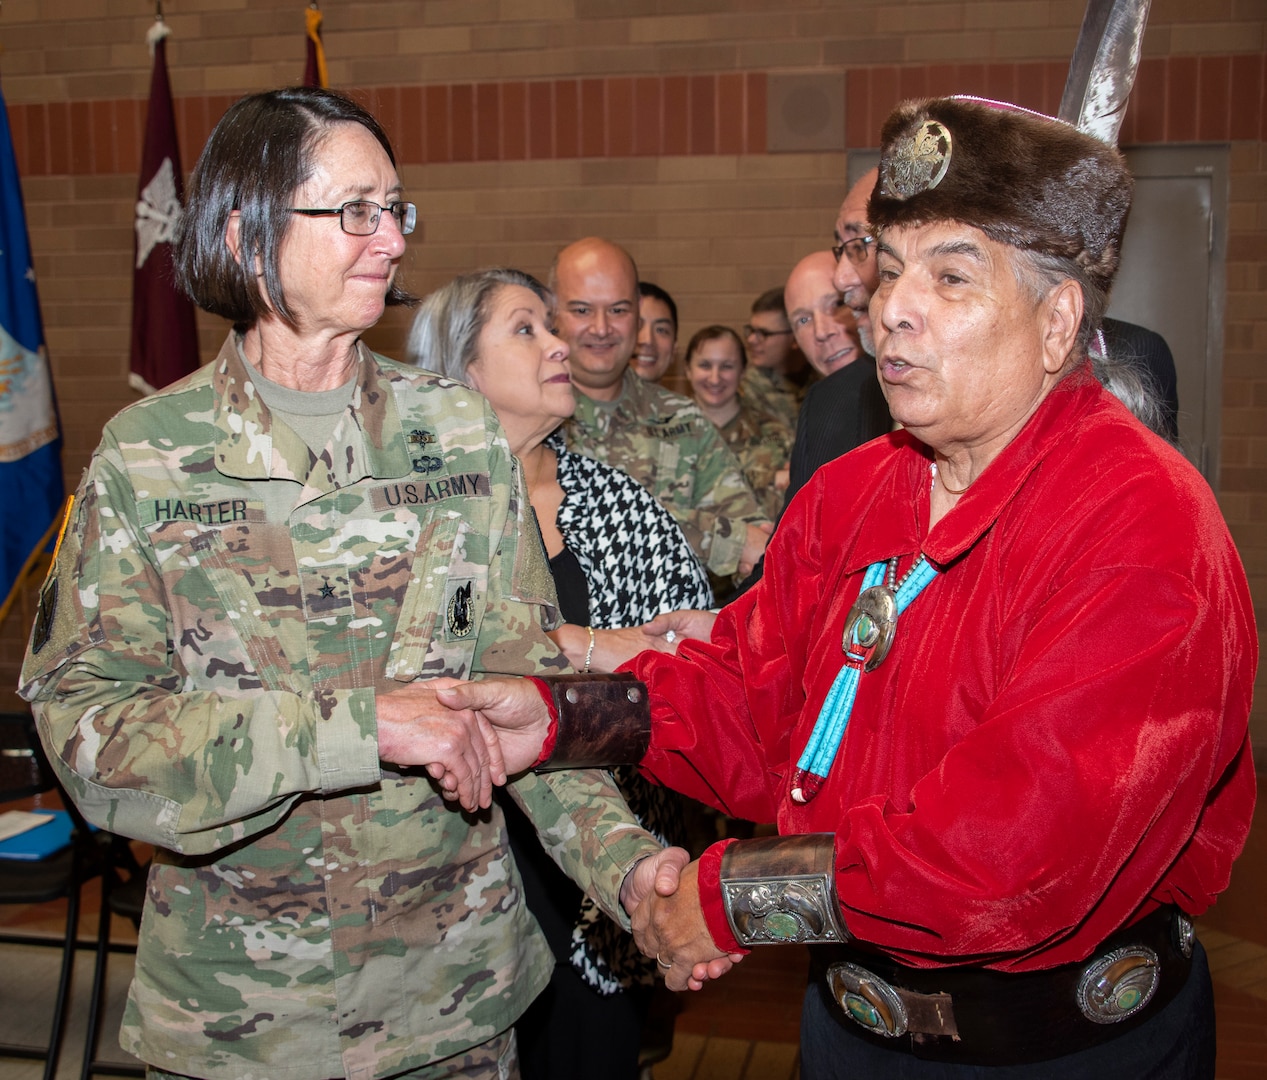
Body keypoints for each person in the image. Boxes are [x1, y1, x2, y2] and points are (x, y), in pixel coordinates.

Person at [438, 95, 1258, 1078]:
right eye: (889, 267)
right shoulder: (855, 493)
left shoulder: (1139, 522)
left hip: (1063, 1052)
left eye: (950, 277)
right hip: (848, 1034)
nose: (892, 307)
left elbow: (1001, 858)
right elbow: (749, 696)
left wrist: (725, 895)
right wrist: (561, 720)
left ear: (1057, 321)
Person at [17, 88, 686, 1080]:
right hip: (241, 1022)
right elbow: (93, 737)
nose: (390, 240)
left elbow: (527, 693)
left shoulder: (454, 437)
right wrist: (361, 724)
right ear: (246, 232)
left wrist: (630, 867)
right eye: (355, 212)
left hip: (453, 1005)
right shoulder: (149, 460)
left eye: (396, 210)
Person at [407, 267, 710, 1080]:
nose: (559, 344)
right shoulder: (407, 519)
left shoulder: (618, 508)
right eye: (526, 330)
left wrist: (603, 649)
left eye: (554, 326)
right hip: (444, 875)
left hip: (589, 861)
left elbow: (698, 676)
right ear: (463, 372)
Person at [550, 236, 772, 580]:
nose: (601, 327)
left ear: (637, 317)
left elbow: (753, 544)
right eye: (582, 310)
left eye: (618, 310)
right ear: (553, 315)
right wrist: (715, 538)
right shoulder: (532, 419)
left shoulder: (681, 419)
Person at [685, 324, 792, 521]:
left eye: (726, 366)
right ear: (688, 370)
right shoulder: (669, 433)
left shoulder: (777, 433)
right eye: (705, 365)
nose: (715, 378)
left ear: (743, 372)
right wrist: (767, 481)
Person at [740, 287, 810, 429]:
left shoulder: (823, 379)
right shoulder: (742, 390)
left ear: (795, 338)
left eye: (764, 333)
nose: (752, 339)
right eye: (751, 330)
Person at [632, 280, 678, 384]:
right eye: (636, 326)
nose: (648, 340)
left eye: (661, 330)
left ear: (674, 350)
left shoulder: (684, 401)